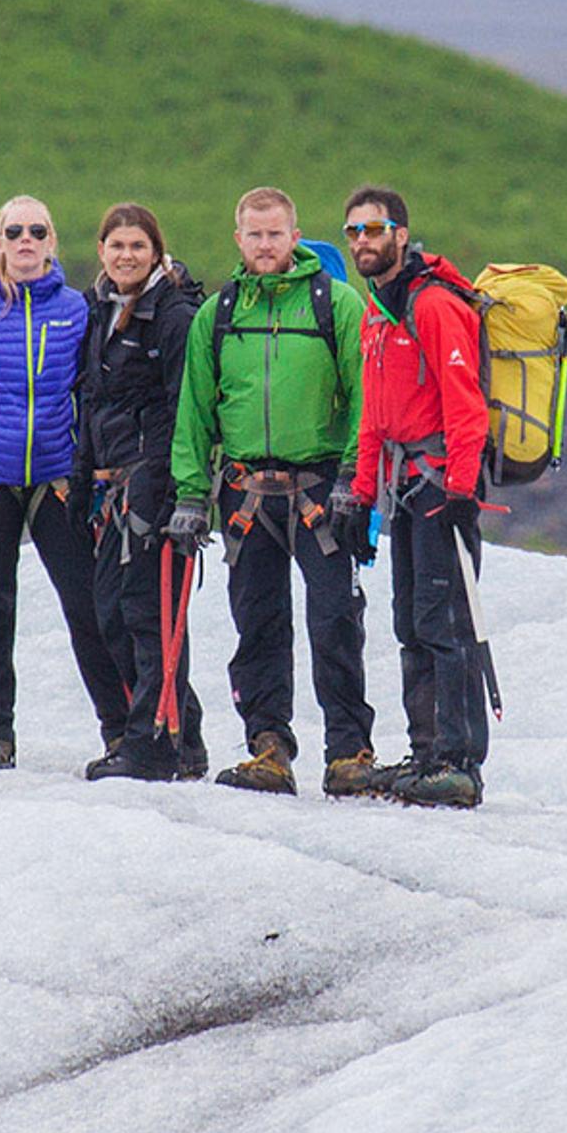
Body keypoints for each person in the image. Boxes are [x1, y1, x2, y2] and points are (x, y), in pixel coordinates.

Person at [168, 187, 374, 796]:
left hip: (321, 491)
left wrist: (353, 478)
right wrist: (189, 494)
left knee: (335, 619)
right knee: (257, 621)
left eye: (275, 234)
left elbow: (366, 399)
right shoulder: (218, 313)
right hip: (244, 492)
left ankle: (349, 752)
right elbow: (194, 411)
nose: (264, 244)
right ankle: (269, 747)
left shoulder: (337, 305)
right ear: (239, 239)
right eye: (254, 235)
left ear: (294, 235)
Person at [0, 194, 130, 770]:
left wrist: (95, 475)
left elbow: (93, 398)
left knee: (88, 605)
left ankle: (119, 727)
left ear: (51, 242)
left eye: (36, 231)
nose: (24, 240)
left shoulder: (77, 309)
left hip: (58, 480)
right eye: (13, 231)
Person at [344, 184, 491, 807]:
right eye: (353, 232)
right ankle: (429, 752)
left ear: (401, 235)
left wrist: (461, 490)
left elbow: (466, 404)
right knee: (411, 621)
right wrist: (360, 497)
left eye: (373, 230)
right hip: (403, 489)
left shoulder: (431, 305)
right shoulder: (381, 309)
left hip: (438, 488)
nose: (362, 243)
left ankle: (459, 762)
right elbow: (374, 416)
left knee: (444, 623)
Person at [73, 202, 208, 782]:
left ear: (155, 252)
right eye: (116, 245)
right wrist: (83, 481)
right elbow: (92, 401)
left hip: (152, 487)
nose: (126, 255)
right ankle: (184, 739)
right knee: (112, 615)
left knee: (147, 618)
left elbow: (185, 408)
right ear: (101, 251)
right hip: (110, 488)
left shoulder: (173, 315)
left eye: (137, 246)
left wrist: (179, 494)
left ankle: (151, 746)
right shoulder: (97, 310)